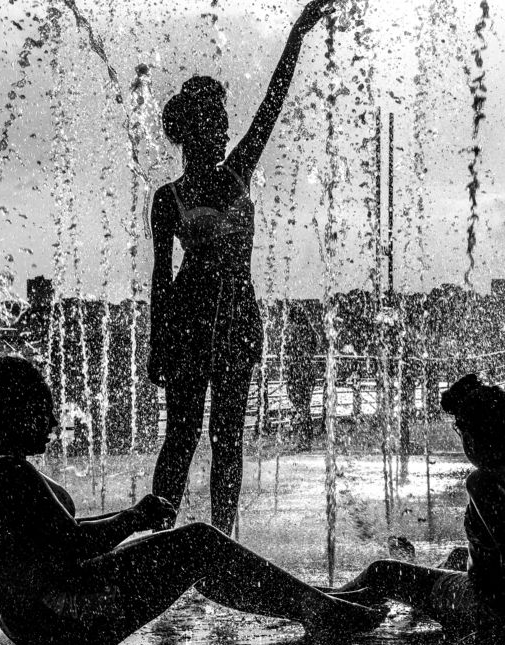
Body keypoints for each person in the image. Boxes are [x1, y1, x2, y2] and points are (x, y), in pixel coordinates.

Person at [0, 353, 386, 645]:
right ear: (13, 411)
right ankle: (321, 610)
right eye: (42, 409)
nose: (52, 421)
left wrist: (134, 516)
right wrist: (134, 518)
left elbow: (54, 536)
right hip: (64, 621)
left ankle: (317, 601)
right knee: (200, 543)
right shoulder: (7, 472)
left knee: (200, 551)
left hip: (37, 620)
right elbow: (73, 542)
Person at [147, 0, 335, 534]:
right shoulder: (169, 198)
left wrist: (297, 35)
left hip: (235, 317)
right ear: (197, 130)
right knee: (182, 434)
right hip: (189, 319)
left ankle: (223, 540)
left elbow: (272, 106)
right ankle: (160, 538)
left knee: (227, 436)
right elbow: (161, 278)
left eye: (227, 121)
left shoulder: (236, 177)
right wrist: (157, 345)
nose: (228, 130)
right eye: (218, 122)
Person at [328, 374, 505, 637]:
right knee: (459, 556)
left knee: (383, 572)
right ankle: (408, 596)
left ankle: (332, 605)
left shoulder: (485, 481)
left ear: (472, 436)